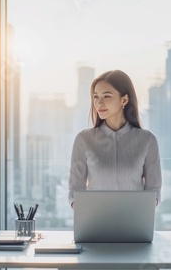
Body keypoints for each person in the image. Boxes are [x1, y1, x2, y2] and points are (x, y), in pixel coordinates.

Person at [68, 70, 162, 208]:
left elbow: (154, 191)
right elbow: (74, 192)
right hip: (95, 224)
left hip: (134, 224)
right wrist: (85, 212)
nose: (99, 103)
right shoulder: (84, 139)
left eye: (106, 96)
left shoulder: (148, 140)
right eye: (95, 97)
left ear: (124, 100)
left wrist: (141, 210)